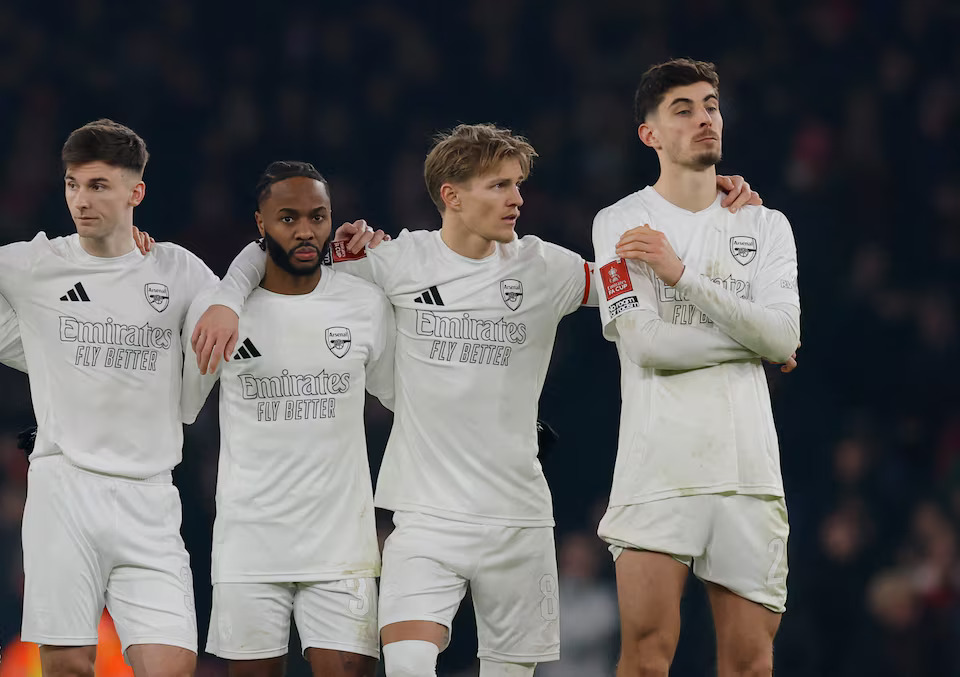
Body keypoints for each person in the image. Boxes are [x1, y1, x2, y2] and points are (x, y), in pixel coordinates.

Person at [191, 124, 761, 677]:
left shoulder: (548, 268)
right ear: (452, 197)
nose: (518, 198)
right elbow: (272, 253)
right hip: (424, 517)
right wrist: (225, 298)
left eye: (518, 184)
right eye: (500, 185)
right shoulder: (394, 263)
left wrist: (714, 225)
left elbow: (635, 282)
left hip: (519, 519)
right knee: (409, 664)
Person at [591, 58, 801, 677]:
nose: (703, 118)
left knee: (750, 665)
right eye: (682, 109)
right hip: (659, 469)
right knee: (646, 659)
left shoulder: (765, 224)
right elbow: (647, 345)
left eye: (710, 104)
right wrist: (757, 342)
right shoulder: (619, 223)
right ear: (649, 134)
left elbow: (784, 333)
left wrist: (681, 277)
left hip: (749, 472)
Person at [0, 119, 218, 677]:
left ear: (135, 193)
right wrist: (39, 351)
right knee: (69, 666)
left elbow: (234, 310)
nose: (80, 199)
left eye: (98, 185)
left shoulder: (178, 270)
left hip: (150, 497)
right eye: (72, 184)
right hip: (63, 492)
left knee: (171, 667)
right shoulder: (36, 264)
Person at [180, 161, 396, 677]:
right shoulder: (219, 310)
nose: (305, 230)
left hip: (342, 547)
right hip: (249, 544)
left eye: (318, 217)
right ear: (260, 224)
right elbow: (179, 406)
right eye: (288, 217)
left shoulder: (363, 303)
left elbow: (406, 399)